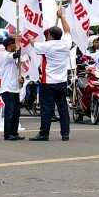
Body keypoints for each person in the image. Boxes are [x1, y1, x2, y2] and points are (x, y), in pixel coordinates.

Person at [29, 11, 72, 141]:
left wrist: (31, 38)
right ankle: (65, 134)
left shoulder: (46, 46)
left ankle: (44, 133)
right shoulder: (66, 44)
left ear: (51, 36)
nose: (46, 36)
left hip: (48, 82)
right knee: (63, 108)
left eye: (47, 35)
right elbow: (67, 30)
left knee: (47, 109)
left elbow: (33, 43)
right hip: (62, 82)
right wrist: (62, 17)